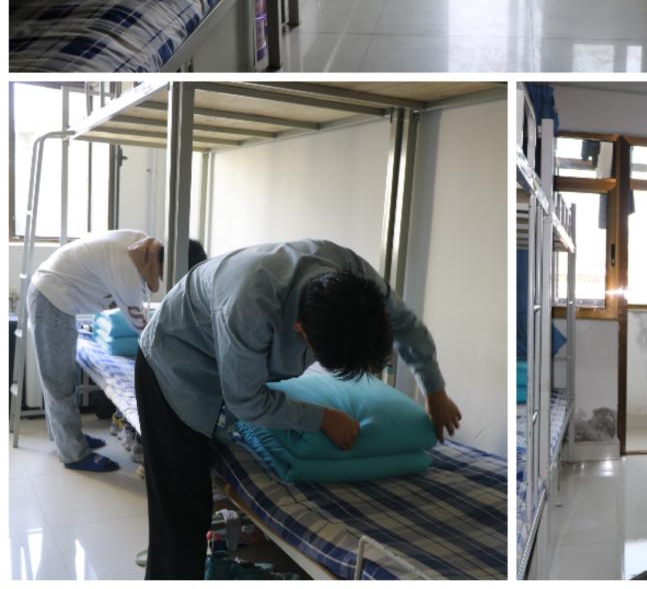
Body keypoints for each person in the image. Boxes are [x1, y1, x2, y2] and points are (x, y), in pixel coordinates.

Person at [135, 239, 462, 580]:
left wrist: (434, 389)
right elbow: (245, 400)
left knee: (190, 507)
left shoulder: (357, 281)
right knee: (183, 516)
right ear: (300, 330)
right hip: (174, 368)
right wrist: (321, 418)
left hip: (226, 362)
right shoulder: (249, 306)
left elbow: (406, 326)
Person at [26, 230, 205, 473]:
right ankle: (74, 454)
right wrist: (172, 356)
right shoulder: (127, 269)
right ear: (171, 264)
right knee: (59, 381)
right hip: (51, 298)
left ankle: (66, 438)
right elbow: (142, 327)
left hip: (56, 295)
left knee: (62, 378)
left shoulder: (144, 247)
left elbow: (135, 306)